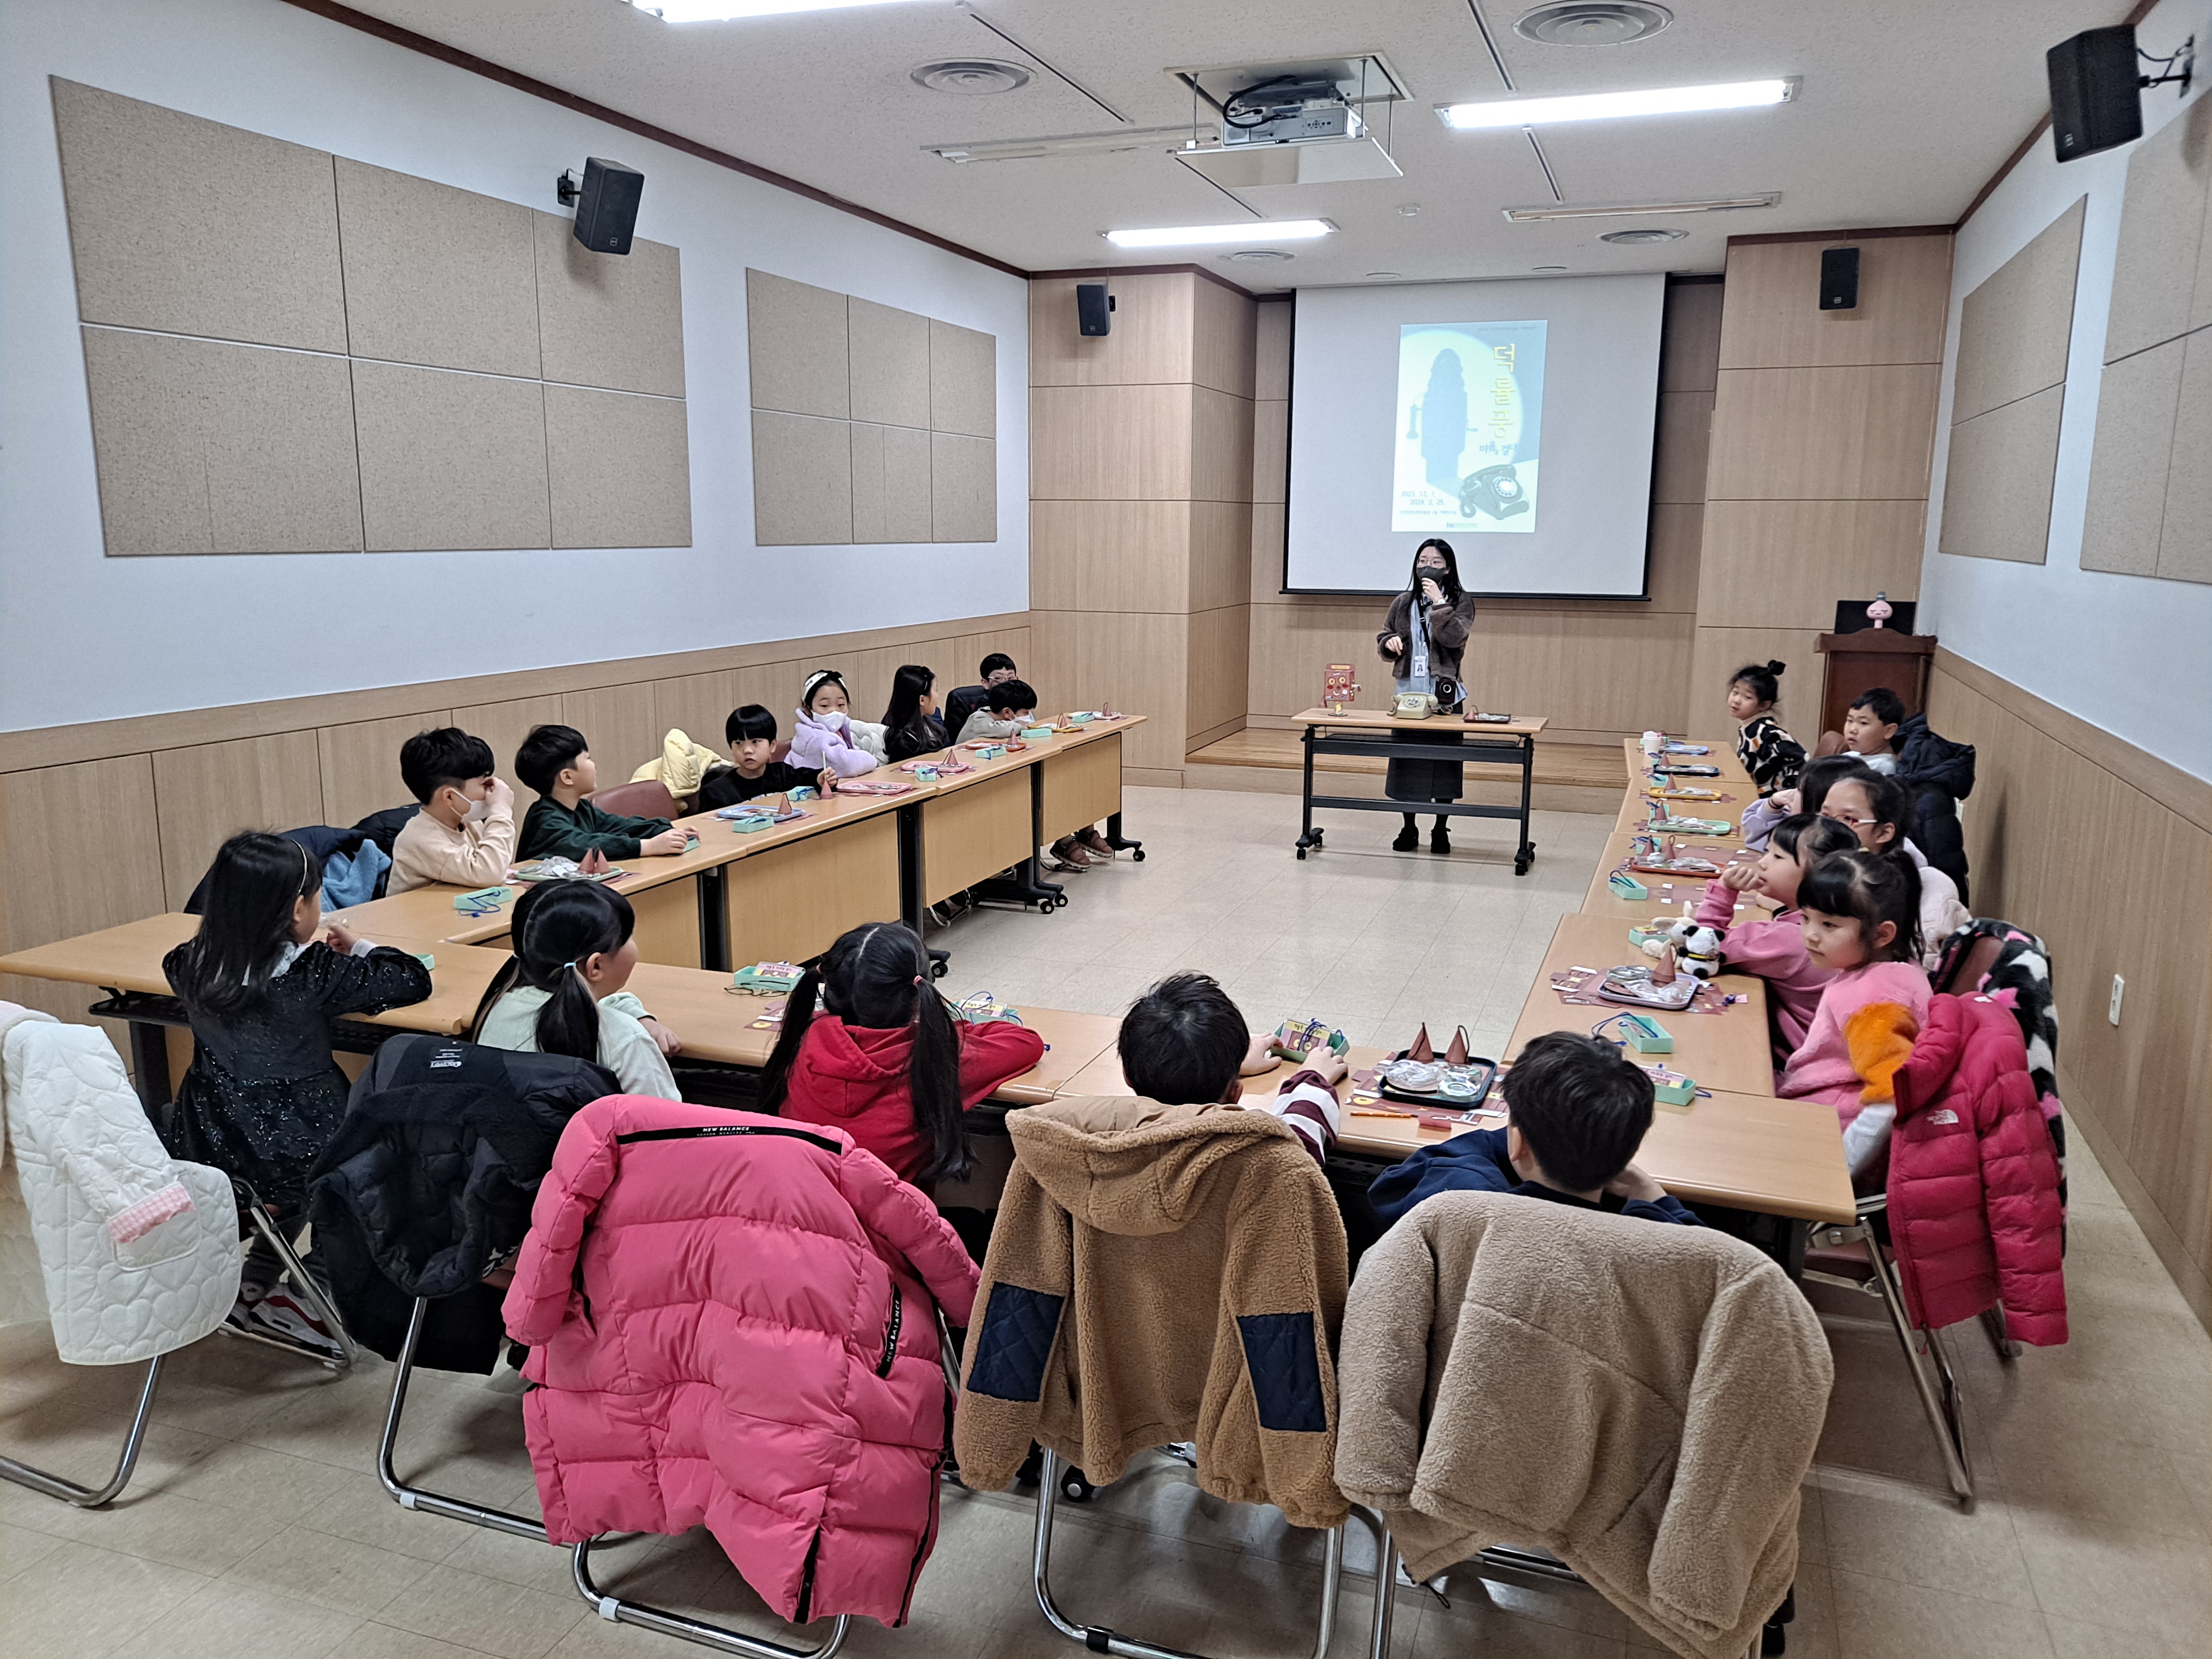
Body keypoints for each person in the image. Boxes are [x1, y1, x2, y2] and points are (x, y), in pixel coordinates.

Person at [162, 831, 433, 1350]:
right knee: (375, 1160)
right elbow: (410, 979)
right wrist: (358, 947)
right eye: (316, 899)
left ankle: (255, 1279)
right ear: (294, 911)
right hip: (306, 1146)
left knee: (286, 1177)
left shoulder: (185, 964)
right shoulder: (311, 974)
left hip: (213, 1141)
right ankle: (314, 1293)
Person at [760, 923, 1044, 1188]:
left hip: (794, 1216)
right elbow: (1026, 1042)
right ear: (918, 995)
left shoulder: (803, 1037)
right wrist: (947, 1028)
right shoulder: (936, 1056)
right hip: (894, 1236)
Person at [1367, 1031, 1698, 1227]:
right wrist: (1654, 1197)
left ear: (1519, 1142)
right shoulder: (1654, 1239)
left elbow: (1391, 1187)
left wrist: (1525, 1131)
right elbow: (1705, 1247)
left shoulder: (1462, 1191)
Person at [1778, 849, 1931, 1177]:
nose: (1810, 934)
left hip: (1833, 1133)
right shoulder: (1888, 970)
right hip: (1826, 1112)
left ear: (1881, 935)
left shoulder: (1875, 999)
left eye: (1829, 925)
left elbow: (1889, 1098)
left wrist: (1838, 1173)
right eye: (1805, 918)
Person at [473, 880, 681, 1099]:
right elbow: (668, 1125)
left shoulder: (499, 1007)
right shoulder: (625, 1039)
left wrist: (637, 1014)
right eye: (628, 937)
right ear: (596, 966)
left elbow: (584, 1003)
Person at [1114, 971, 1345, 1165]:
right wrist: (1313, 1078)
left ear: (1127, 1075)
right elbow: (1298, 1142)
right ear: (1236, 1094)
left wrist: (1219, 1066)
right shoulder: (1259, 1163)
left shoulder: (1100, 1139)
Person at [1691, 814, 1861, 1061]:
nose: (1762, 863)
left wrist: (1724, 890)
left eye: (1778, 857)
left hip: (1794, 1061)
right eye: (1767, 852)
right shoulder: (1840, 926)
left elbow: (1702, 947)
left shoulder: (1791, 939)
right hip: (1831, 1053)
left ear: (1817, 877)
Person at [1376, 538, 1477, 853]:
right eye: (1423, 560)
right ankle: (1408, 828)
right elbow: (1384, 636)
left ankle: (1440, 830)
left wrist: (1438, 604)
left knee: (1444, 765)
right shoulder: (1403, 601)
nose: (1428, 567)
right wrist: (1389, 642)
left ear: (1448, 567)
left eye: (1436, 562)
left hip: (1444, 696)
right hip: (1408, 695)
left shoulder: (1460, 601)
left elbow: (1454, 638)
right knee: (1408, 763)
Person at [1819, 770, 1971, 968]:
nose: (1829, 829)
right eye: (1825, 816)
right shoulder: (1825, 869)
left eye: (1848, 819)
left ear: (1884, 833)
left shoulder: (1909, 894)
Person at [514, 724, 692, 862]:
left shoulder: (583, 808)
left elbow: (621, 826)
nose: (593, 764)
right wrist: (646, 847)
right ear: (568, 777)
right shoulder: (544, 819)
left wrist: (667, 830)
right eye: (588, 759)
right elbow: (582, 845)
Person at [388, 727, 515, 893]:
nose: (490, 792)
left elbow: (498, 864)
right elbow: (491, 871)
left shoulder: (469, 823)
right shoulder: (420, 839)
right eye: (483, 784)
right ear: (449, 797)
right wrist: (501, 809)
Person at [697, 706, 833, 812]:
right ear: (731, 748)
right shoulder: (716, 792)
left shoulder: (783, 774)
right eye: (739, 743)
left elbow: (809, 778)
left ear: (772, 746)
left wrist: (821, 779)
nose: (747, 750)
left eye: (755, 742)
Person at [1738, 753, 1870, 851]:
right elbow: (1752, 832)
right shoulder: (1795, 821)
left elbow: (1755, 839)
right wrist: (1773, 805)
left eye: (1800, 791)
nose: (1792, 794)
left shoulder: (1812, 842)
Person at [1726, 661, 1807, 796]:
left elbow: (1802, 762)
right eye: (1735, 692)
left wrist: (1784, 799)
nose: (1737, 700)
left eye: (1748, 697)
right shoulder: (1750, 727)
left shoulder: (1768, 733)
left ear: (1764, 706)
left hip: (1771, 804)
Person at [787, 670, 880, 778]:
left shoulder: (844, 728)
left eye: (841, 705)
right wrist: (871, 759)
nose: (834, 711)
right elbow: (847, 765)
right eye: (825, 706)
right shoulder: (814, 738)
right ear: (807, 709)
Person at [942, 652, 1018, 748]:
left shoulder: (1019, 699)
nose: (1006, 684)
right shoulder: (982, 711)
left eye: (1011, 678)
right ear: (985, 683)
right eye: (998, 678)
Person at [881, 664, 949, 764]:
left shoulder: (931, 726)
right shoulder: (903, 741)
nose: (938, 696)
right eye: (935, 690)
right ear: (922, 700)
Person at [1837, 687, 1905, 774]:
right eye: (1850, 721)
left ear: (1889, 731)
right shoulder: (1851, 756)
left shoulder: (1881, 769)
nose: (1852, 730)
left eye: (1863, 723)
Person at [951, 676, 1038, 744]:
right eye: (1026, 712)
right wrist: (1020, 726)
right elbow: (1002, 729)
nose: (1028, 716)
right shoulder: (978, 719)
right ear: (1007, 712)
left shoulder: (995, 714)